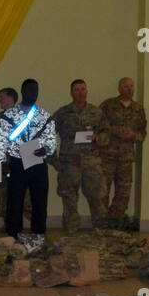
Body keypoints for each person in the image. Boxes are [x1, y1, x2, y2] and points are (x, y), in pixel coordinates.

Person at [0, 78, 56, 241]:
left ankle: (38, 235)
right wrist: (0, 163)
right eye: (29, 90)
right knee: (14, 203)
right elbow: (0, 140)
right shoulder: (9, 115)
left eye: (36, 90)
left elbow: (51, 140)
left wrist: (47, 149)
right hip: (17, 163)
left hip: (38, 164)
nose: (33, 93)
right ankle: (14, 237)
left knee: (40, 203)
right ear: (22, 92)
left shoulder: (44, 115)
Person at [50, 78, 109, 234]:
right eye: (76, 90)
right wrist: (53, 159)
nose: (80, 92)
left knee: (97, 199)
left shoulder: (97, 112)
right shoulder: (63, 113)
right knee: (69, 200)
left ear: (87, 91)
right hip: (69, 164)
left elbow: (107, 134)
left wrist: (98, 138)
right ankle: (71, 232)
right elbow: (47, 135)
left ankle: (101, 232)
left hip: (92, 164)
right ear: (71, 93)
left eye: (83, 89)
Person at [98, 77, 146, 227]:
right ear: (119, 89)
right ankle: (102, 222)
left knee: (123, 192)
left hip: (126, 158)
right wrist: (114, 131)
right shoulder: (108, 105)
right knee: (102, 190)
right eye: (126, 86)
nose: (129, 89)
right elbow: (98, 126)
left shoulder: (138, 109)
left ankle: (115, 221)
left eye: (131, 86)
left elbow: (142, 133)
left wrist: (133, 135)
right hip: (108, 156)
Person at [0, 87, 17, 222]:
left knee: (23, 197)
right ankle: (7, 225)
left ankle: (25, 228)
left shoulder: (23, 118)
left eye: (2, 97)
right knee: (1, 196)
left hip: (18, 165)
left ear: (11, 99)